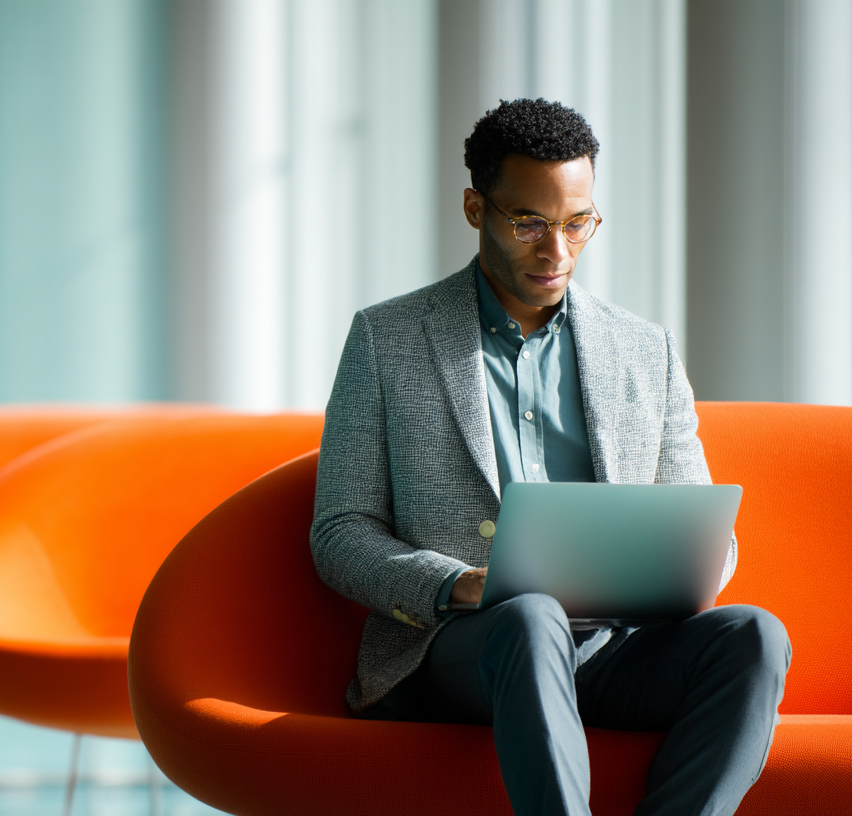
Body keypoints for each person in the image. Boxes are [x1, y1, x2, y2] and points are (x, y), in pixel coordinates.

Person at [310, 98, 791, 816]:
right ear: (476, 208)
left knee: (755, 634)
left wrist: (687, 570)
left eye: (576, 224)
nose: (556, 251)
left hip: (616, 644)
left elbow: (702, 526)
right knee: (529, 615)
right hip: (465, 646)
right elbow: (339, 532)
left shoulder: (643, 349)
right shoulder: (389, 339)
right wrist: (458, 584)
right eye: (528, 223)